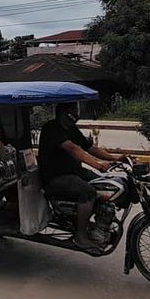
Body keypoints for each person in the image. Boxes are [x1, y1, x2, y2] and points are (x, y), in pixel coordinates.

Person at [38, 102, 120, 249]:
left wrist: (116, 159)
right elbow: (73, 148)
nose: (77, 112)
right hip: (56, 177)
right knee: (88, 191)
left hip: (75, 172)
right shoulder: (52, 128)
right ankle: (80, 236)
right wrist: (98, 165)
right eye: (74, 109)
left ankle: (100, 222)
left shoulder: (71, 129)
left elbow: (90, 148)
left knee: (105, 184)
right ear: (64, 111)